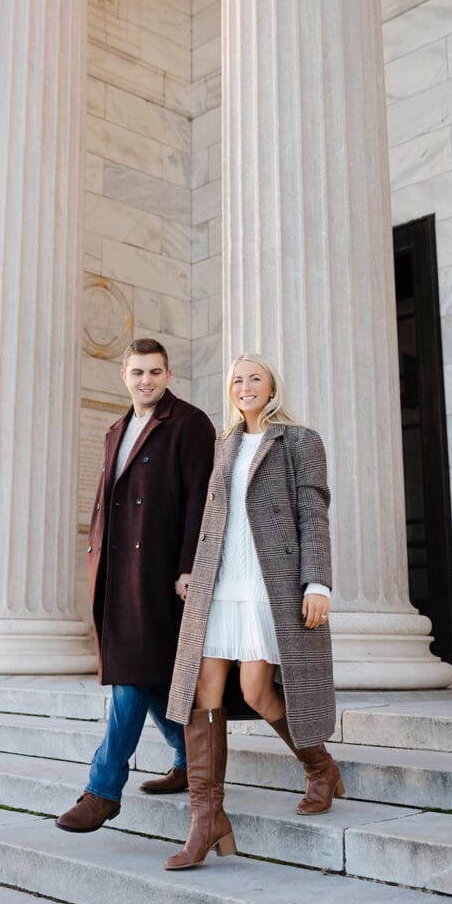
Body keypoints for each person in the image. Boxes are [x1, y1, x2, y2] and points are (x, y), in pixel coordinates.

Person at [164, 352, 343, 870]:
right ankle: (207, 818)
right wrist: (192, 570)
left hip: (270, 584)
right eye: (237, 380)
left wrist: (318, 583)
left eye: (255, 378)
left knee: (256, 691)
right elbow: (209, 517)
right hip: (221, 584)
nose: (245, 386)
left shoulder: (300, 441)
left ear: (271, 387)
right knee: (203, 691)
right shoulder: (224, 444)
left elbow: (313, 515)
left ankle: (320, 767)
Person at [56, 338, 216, 834]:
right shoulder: (115, 430)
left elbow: (201, 500)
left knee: (132, 675)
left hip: (161, 574)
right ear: (123, 375)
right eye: (138, 372)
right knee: (145, 674)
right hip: (116, 570)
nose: (146, 380)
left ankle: (103, 790)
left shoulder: (189, 423)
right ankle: (189, 758)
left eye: (155, 371)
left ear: (168, 375)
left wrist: (189, 567)